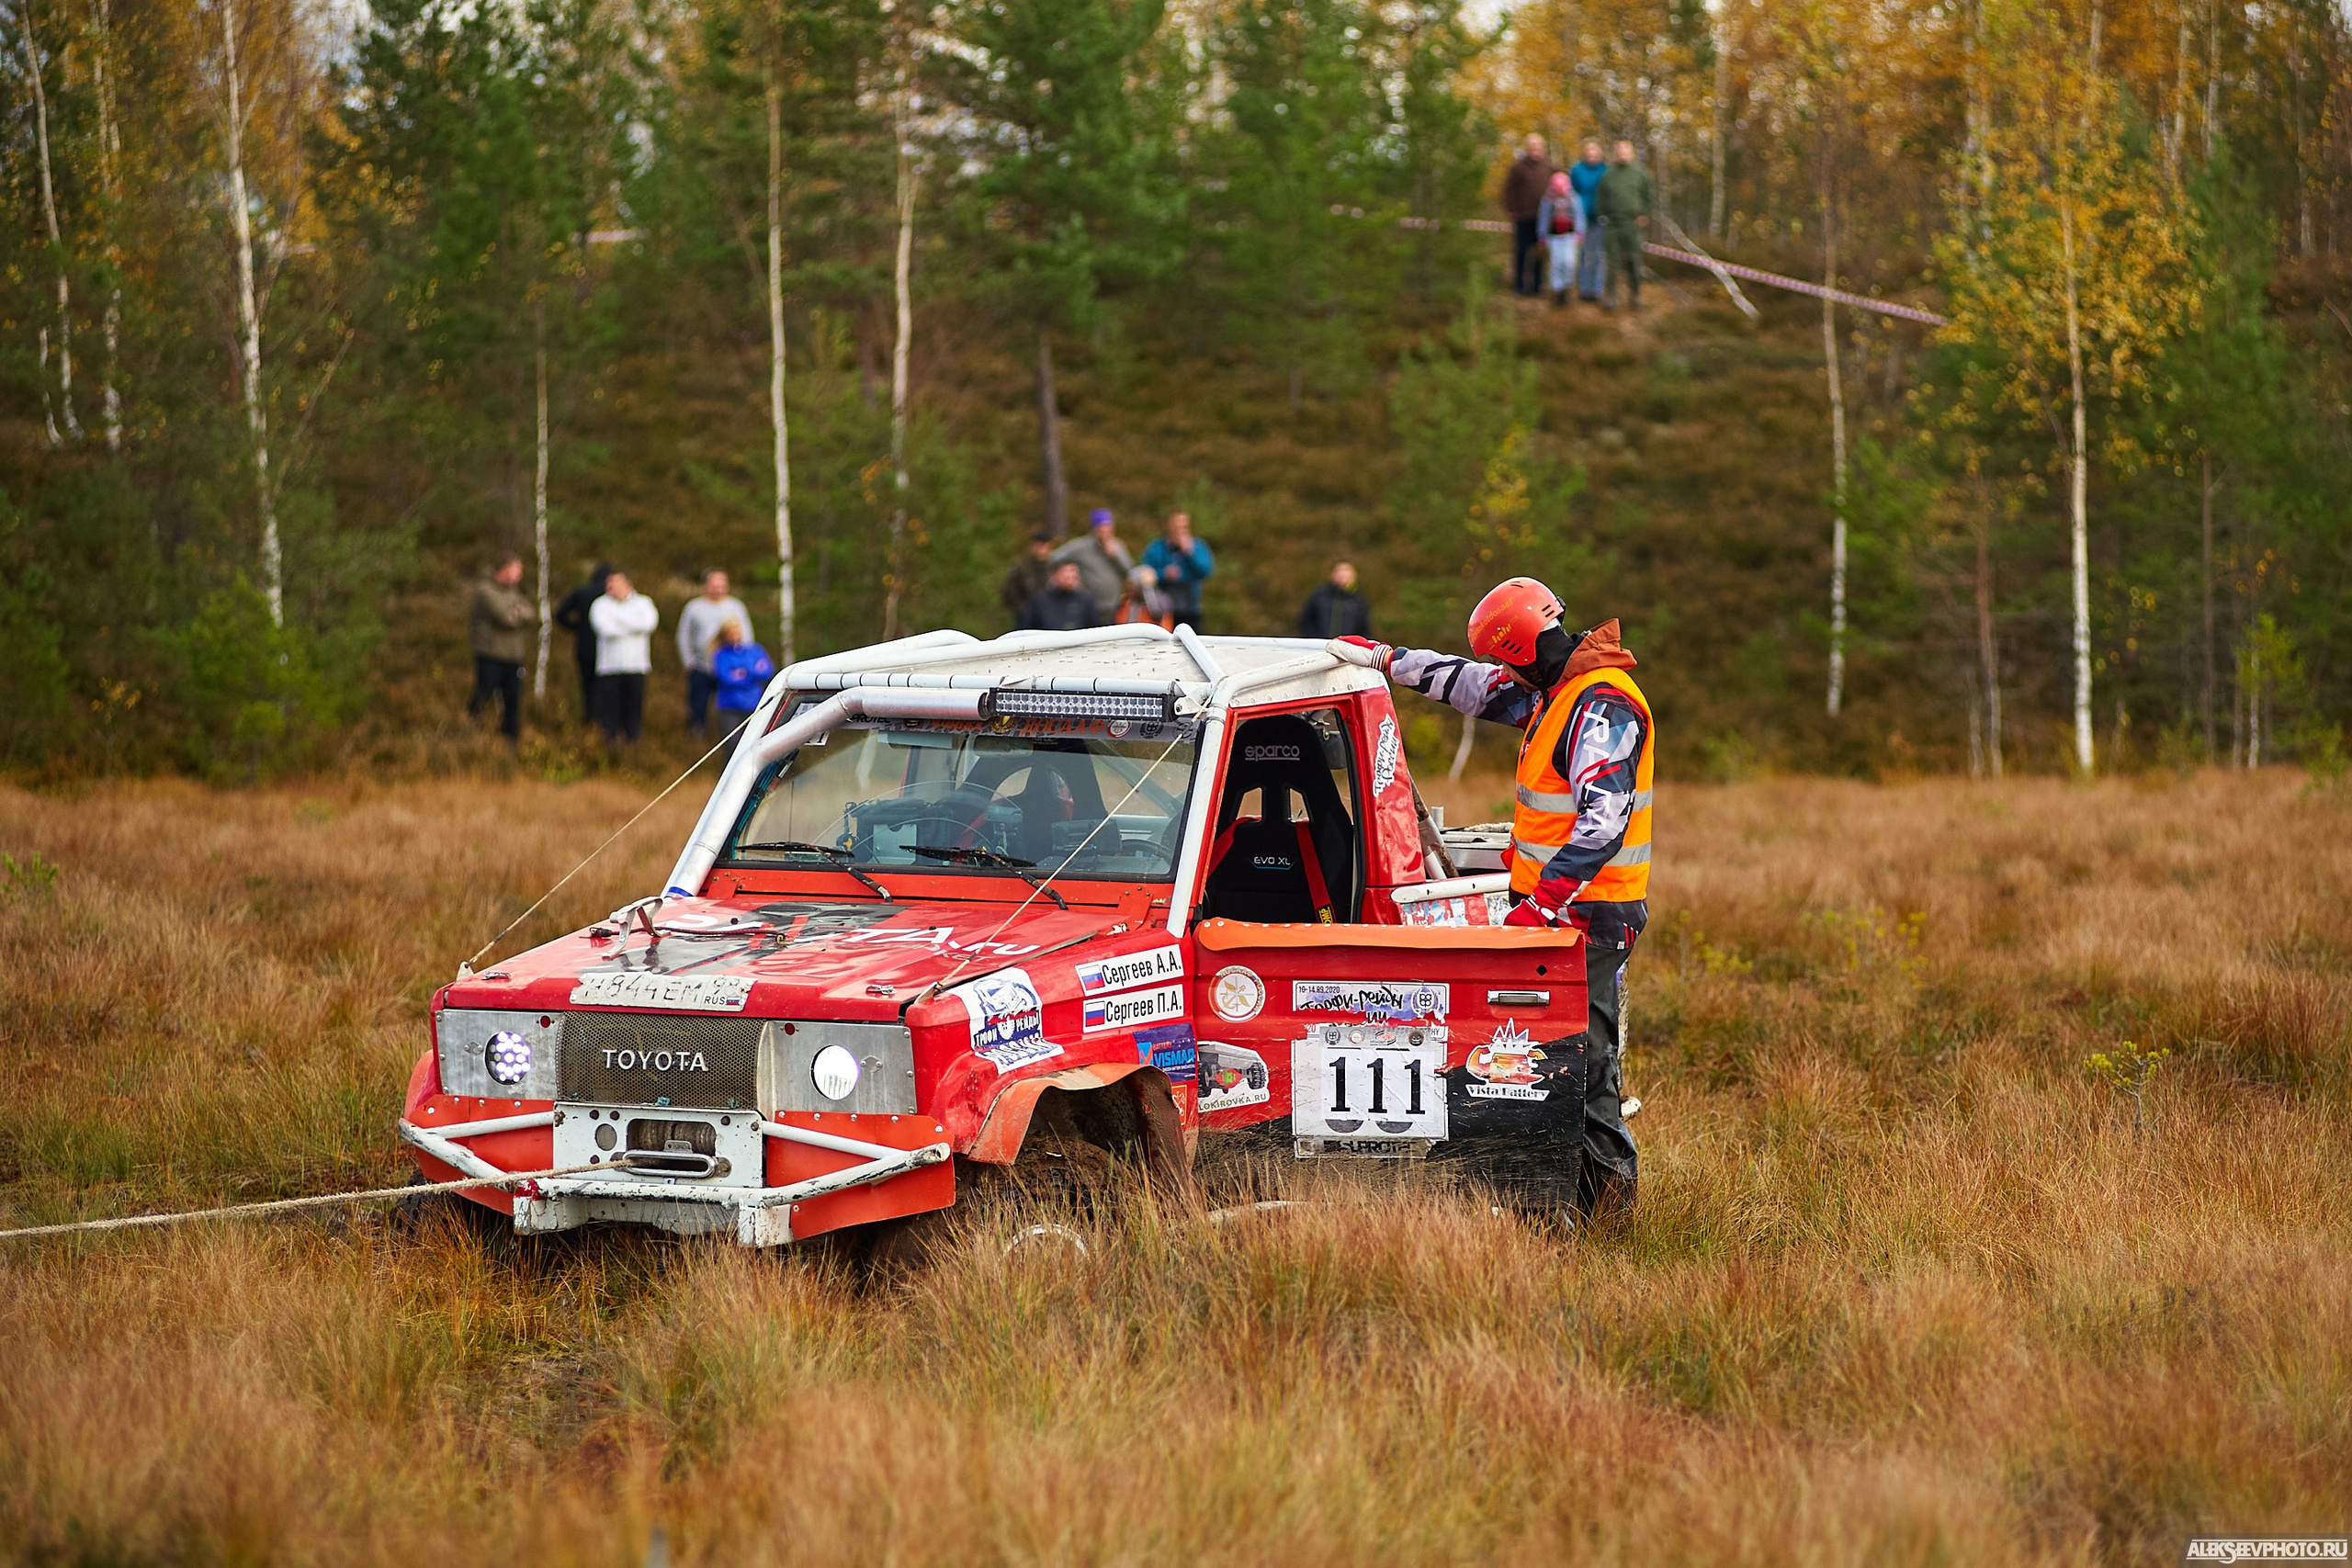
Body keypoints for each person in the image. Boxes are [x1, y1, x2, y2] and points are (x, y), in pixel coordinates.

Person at [1326, 577, 1652, 1216]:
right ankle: (1555, 1204)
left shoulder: (1600, 706)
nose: (1504, 672)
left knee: (1585, 1067)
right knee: (1542, 1064)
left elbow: (1603, 822)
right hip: (1557, 918)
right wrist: (1386, 658)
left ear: (1522, 651)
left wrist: (1540, 904)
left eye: (1508, 659)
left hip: (1588, 918)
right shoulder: (1552, 687)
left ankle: (1610, 1217)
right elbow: (1468, 682)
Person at [675, 569, 751, 742]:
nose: (718, 589)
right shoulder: (694, 608)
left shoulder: (735, 607)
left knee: (731, 707)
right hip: (702, 667)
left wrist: (744, 663)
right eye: (714, 585)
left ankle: (730, 740)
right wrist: (688, 662)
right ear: (706, 586)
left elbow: (746, 636)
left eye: (722, 585)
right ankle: (697, 739)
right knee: (698, 705)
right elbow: (684, 636)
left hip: (730, 669)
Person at [467, 554, 533, 742]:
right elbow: (505, 618)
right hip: (491, 653)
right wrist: (516, 612)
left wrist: (517, 612)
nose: (518, 575)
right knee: (484, 692)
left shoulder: (513, 592)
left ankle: (510, 738)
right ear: (504, 569)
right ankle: (472, 726)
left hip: (513, 655)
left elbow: (529, 613)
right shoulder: (485, 591)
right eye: (515, 570)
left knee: (513, 698)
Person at [588, 570, 659, 745]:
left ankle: (633, 746)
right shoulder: (600, 605)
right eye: (608, 583)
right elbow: (604, 629)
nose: (610, 587)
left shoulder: (643, 603)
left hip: (636, 666)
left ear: (627, 584)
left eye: (615, 583)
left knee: (633, 710)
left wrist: (619, 620)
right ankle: (611, 746)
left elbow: (648, 624)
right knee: (610, 712)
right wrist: (633, 626)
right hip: (609, 668)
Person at [1596, 138, 1655, 312]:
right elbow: (1601, 198)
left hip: (1632, 224)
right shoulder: (1608, 175)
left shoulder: (1641, 173)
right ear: (1615, 153)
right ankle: (1611, 297)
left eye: (1625, 150)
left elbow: (1648, 197)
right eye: (1619, 150)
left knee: (1633, 261)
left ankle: (1635, 296)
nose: (1622, 153)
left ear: (1631, 152)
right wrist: (1603, 217)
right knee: (1612, 263)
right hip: (1612, 225)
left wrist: (1645, 215)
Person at [551, 561, 613, 727]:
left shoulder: (581, 593)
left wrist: (576, 627)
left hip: (584, 648)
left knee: (587, 688)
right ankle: (603, 726)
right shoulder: (609, 596)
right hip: (607, 651)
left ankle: (589, 722)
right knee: (606, 691)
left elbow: (560, 614)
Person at [1500, 133, 1555, 298]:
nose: (1535, 150)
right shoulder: (1517, 167)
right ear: (1527, 149)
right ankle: (1519, 286)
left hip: (1543, 218)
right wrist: (1511, 209)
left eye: (1538, 147)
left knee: (1539, 252)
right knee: (1522, 252)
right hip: (1523, 217)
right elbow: (1508, 190)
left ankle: (1538, 285)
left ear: (1542, 148)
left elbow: (1562, 185)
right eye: (1532, 147)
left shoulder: (1550, 166)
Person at [1140, 511, 1214, 631]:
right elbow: (1144, 575)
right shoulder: (1156, 548)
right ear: (1169, 527)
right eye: (1176, 527)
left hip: (1190, 609)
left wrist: (1190, 553)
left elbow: (1205, 571)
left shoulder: (1197, 547)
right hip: (1163, 610)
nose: (1180, 531)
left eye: (1183, 527)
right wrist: (1163, 574)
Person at [1049, 509, 1134, 611]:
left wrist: (1115, 556)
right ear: (1095, 529)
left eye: (1108, 526)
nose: (1105, 531)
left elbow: (1129, 570)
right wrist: (1069, 578)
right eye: (1102, 527)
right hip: (1088, 607)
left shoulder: (1118, 546)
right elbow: (1053, 558)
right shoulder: (1080, 546)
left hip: (1114, 605)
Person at [709, 618, 775, 745]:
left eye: (737, 631)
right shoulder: (721, 655)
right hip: (730, 708)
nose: (735, 635)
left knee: (756, 744)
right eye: (731, 632)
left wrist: (745, 673)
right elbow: (726, 679)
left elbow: (767, 671)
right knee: (733, 745)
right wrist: (753, 675)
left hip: (754, 706)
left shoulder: (754, 650)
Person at [1536, 170, 1585, 308]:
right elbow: (1544, 218)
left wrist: (1579, 233)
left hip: (1570, 237)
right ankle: (1557, 290)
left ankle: (1567, 288)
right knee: (1556, 264)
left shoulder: (1574, 199)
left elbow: (1579, 216)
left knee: (1568, 263)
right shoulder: (1547, 199)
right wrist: (1542, 235)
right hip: (1554, 237)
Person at [1568, 140, 1610, 302]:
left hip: (1600, 218)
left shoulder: (1605, 171)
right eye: (1589, 153)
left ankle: (1597, 289)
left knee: (1599, 254)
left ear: (1599, 154)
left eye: (1594, 153)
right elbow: (1571, 193)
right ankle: (1583, 288)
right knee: (1583, 254)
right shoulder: (1577, 170)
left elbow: (1609, 193)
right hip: (1581, 218)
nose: (1591, 156)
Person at [1297, 560, 1373, 639]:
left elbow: (1364, 628)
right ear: (1332, 575)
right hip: (1319, 646)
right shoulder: (1319, 596)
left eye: (1346, 576)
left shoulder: (1358, 601)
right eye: (1340, 575)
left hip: (1345, 648)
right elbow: (1305, 621)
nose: (1343, 579)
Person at [1020, 560, 1102, 632]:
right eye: (1066, 576)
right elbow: (1027, 628)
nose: (1070, 579)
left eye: (1073, 576)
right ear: (1054, 575)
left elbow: (1094, 628)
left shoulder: (1086, 599)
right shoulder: (1040, 600)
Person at [1000, 528, 1057, 626]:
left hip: (1052, 617)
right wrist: (1024, 610)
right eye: (1040, 545)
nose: (1043, 548)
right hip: (1026, 618)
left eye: (1046, 545)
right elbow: (1010, 592)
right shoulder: (1022, 567)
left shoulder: (1055, 567)